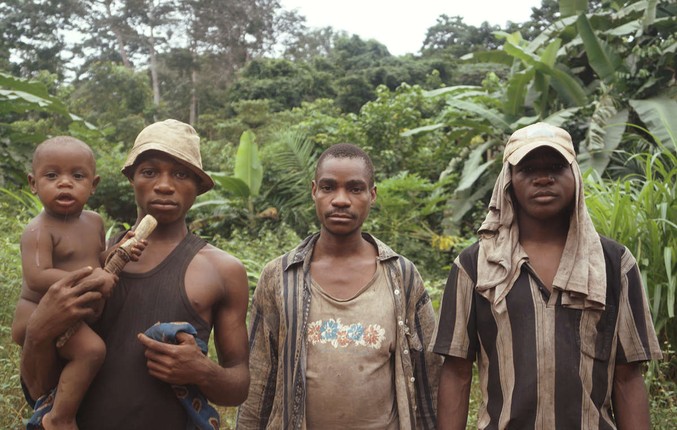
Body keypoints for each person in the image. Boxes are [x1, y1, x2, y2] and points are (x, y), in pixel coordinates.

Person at [19, 119, 251, 429]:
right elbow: (37, 390)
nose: (164, 185)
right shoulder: (88, 266)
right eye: (149, 171)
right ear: (132, 179)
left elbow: (239, 385)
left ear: (199, 186)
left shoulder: (223, 271)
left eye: (181, 174)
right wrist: (38, 331)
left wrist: (202, 371)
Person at [431, 122, 663, 430]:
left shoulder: (614, 263)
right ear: (508, 181)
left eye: (556, 166)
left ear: (575, 176)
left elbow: (627, 377)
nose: (543, 178)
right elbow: (457, 373)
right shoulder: (476, 266)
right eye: (527, 169)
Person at [236, 143, 442, 429]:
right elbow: (258, 379)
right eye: (329, 187)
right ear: (314, 191)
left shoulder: (402, 277)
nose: (341, 200)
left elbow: (428, 376)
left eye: (355, 189)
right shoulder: (280, 276)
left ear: (372, 194)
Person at [11, 136, 134, 430]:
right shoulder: (39, 230)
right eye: (52, 175)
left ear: (93, 184)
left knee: (81, 362)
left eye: (77, 176)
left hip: (74, 316)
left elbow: (95, 259)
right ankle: (59, 418)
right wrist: (94, 278)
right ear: (33, 183)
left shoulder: (93, 221)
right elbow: (38, 276)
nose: (64, 183)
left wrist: (115, 253)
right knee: (91, 351)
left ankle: (65, 406)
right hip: (38, 315)